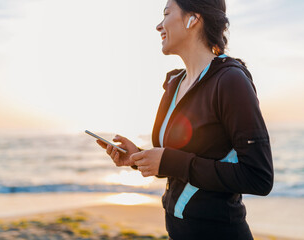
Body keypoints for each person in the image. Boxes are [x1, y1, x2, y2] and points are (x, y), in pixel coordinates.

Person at [96, 0, 273, 239]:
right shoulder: (174, 83)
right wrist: (137, 158)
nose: (159, 25)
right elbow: (176, 162)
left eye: (167, 13)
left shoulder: (230, 81)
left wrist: (172, 161)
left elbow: (258, 177)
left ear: (194, 19)